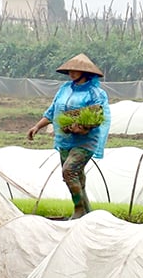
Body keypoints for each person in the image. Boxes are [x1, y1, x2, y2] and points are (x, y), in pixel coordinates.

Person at [27, 53, 111, 219]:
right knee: (77, 177)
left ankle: (78, 210)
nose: (72, 73)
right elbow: (52, 111)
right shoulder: (65, 89)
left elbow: (96, 116)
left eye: (75, 70)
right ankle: (88, 215)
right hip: (65, 140)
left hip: (85, 141)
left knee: (69, 171)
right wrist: (37, 126)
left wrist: (83, 128)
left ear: (85, 72)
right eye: (70, 70)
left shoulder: (95, 93)